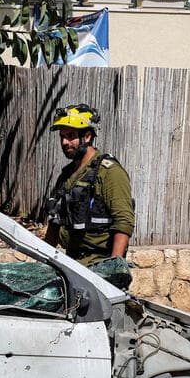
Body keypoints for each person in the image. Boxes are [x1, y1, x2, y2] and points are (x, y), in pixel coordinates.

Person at [43, 104, 134, 286]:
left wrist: (113, 270)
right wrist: (44, 260)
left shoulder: (109, 172)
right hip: (72, 264)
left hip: (98, 267)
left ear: (87, 136)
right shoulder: (67, 175)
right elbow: (55, 221)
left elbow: (123, 221)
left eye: (70, 136)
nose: (64, 143)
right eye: (62, 136)